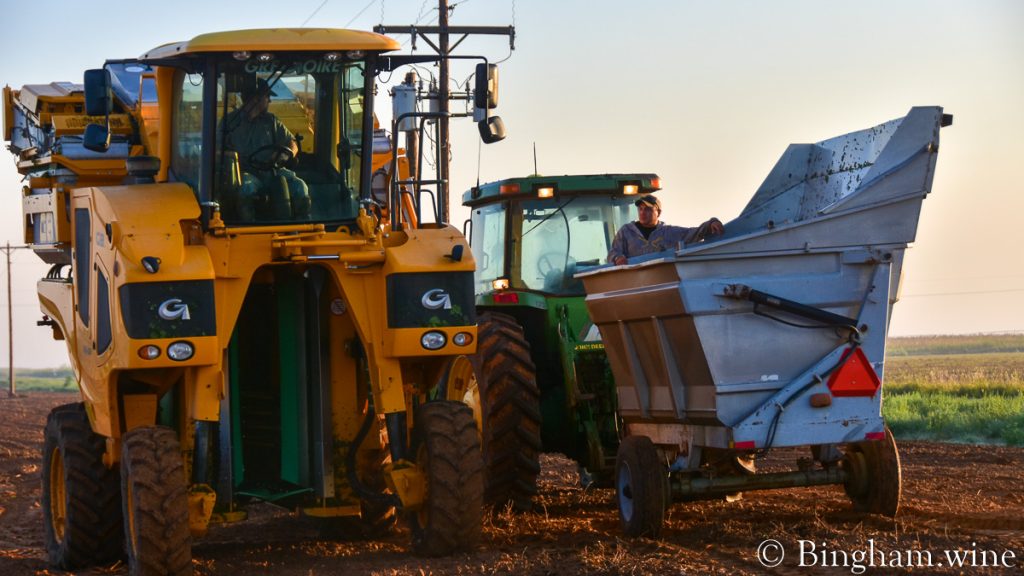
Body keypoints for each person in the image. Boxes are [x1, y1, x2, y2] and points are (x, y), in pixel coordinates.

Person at [220, 77, 309, 219]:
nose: (270, 101)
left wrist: (287, 154)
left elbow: (292, 142)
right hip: (245, 173)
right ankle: (248, 229)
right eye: (267, 96)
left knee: (300, 186)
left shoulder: (271, 121)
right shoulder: (230, 123)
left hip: (273, 171)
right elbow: (217, 150)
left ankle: (303, 228)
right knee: (245, 189)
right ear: (256, 99)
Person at [607, 194, 723, 265]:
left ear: (658, 212)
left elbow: (694, 233)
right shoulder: (626, 231)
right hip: (634, 284)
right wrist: (618, 257)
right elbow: (613, 252)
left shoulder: (669, 233)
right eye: (640, 209)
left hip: (661, 282)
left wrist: (711, 223)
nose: (642, 212)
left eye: (648, 209)